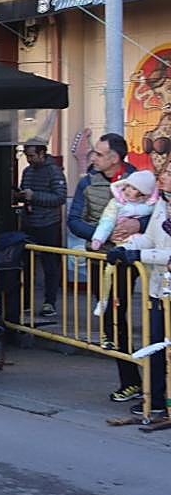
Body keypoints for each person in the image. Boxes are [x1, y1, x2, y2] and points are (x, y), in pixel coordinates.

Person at [67, 133, 146, 403]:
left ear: (115, 158)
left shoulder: (139, 180)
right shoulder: (87, 182)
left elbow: (156, 215)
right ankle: (132, 380)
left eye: (99, 154)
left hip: (129, 260)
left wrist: (138, 225)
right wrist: (103, 234)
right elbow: (74, 221)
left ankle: (137, 382)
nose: (94, 158)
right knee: (110, 320)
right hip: (99, 259)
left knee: (120, 317)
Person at [106, 167, 171, 422]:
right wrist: (126, 247)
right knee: (155, 345)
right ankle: (155, 400)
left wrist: (138, 255)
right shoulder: (162, 204)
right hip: (158, 289)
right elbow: (150, 239)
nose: (163, 177)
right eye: (164, 172)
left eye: (169, 173)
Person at [15, 140, 68, 317]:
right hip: (29, 222)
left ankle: (49, 302)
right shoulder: (27, 171)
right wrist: (21, 195)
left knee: (49, 264)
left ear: (42, 154)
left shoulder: (54, 171)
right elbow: (25, 190)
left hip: (48, 223)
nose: (29, 159)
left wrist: (34, 196)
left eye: (31, 155)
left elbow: (60, 197)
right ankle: (26, 301)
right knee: (26, 264)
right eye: (26, 155)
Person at [91, 170, 157, 250]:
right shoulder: (117, 203)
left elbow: (156, 221)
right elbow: (107, 221)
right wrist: (98, 238)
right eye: (128, 185)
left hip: (145, 242)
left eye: (134, 188)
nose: (128, 190)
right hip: (121, 239)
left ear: (143, 193)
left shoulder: (150, 205)